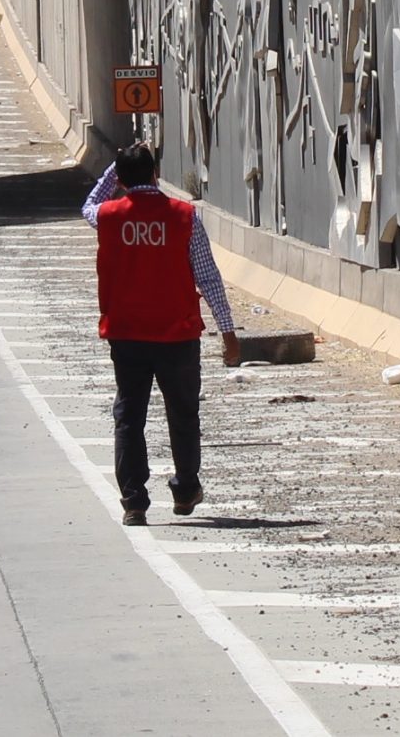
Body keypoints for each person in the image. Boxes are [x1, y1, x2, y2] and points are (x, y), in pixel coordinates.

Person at [85, 142, 238, 526]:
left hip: (127, 334)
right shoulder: (185, 217)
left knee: (129, 416)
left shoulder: (108, 216)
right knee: (183, 413)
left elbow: (88, 204)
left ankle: (134, 499)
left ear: (120, 180)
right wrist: (228, 331)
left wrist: (112, 175)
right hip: (177, 334)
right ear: (156, 174)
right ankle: (186, 488)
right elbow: (208, 276)